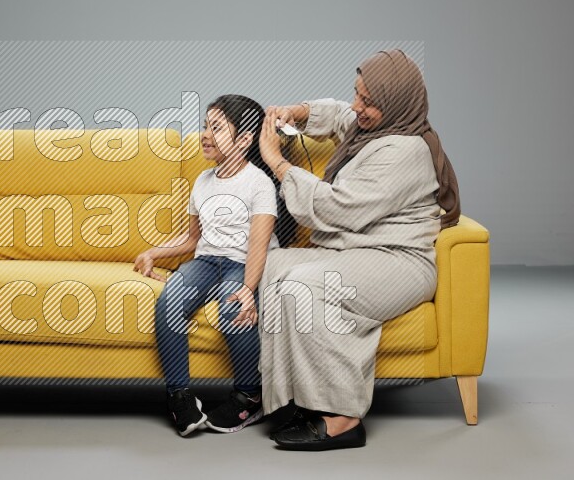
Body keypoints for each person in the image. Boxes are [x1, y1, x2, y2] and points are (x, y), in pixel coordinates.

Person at [257, 49, 461, 451]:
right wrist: (295, 113)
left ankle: (344, 417)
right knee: (272, 265)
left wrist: (279, 165)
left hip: (399, 259)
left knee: (307, 285)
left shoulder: (405, 151)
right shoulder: (377, 127)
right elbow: (338, 115)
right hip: (359, 248)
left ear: (397, 103)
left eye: (368, 101)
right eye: (358, 94)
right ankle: (299, 398)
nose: (358, 106)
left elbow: (337, 208)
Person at [134, 94, 283, 436]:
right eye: (205, 126)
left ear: (244, 139)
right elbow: (190, 239)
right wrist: (152, 253)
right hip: (206, 261)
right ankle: (179, 397)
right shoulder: (202, 182)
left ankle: (249, 396)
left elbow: (259, 245)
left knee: (233, 309)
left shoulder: (259, 183)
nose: (205, 134)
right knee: (170, 300)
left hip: (242, 263)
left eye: (216, 128)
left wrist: (247, 289)